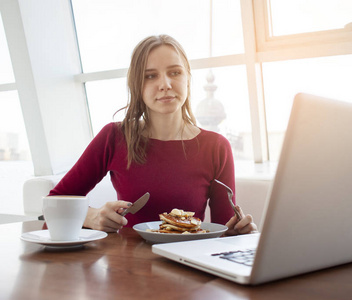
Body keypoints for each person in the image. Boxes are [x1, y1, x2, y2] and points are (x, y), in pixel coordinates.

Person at [49, 34, 257, 236]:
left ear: (188, 79)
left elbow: (223, 228)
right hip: (128, 265)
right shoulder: (113, 137)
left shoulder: (216, 146)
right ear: (137, 86)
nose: (165, 84)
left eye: (175, 73)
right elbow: (55, 202)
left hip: (190, 264)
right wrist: (91, 216)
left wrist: (238, 233)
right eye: (150, 76)